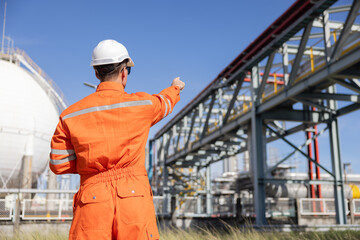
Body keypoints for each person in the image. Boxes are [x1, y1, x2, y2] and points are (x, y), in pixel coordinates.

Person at [49, 39, 185, 240]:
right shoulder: (142, 105)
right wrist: (175, 88)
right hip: (133, 200)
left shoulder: (70, 115)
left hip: (91, 201)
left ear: (96, 73)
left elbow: (58, 163)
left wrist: (91, 165)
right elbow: (164, 102)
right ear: (124, 72)